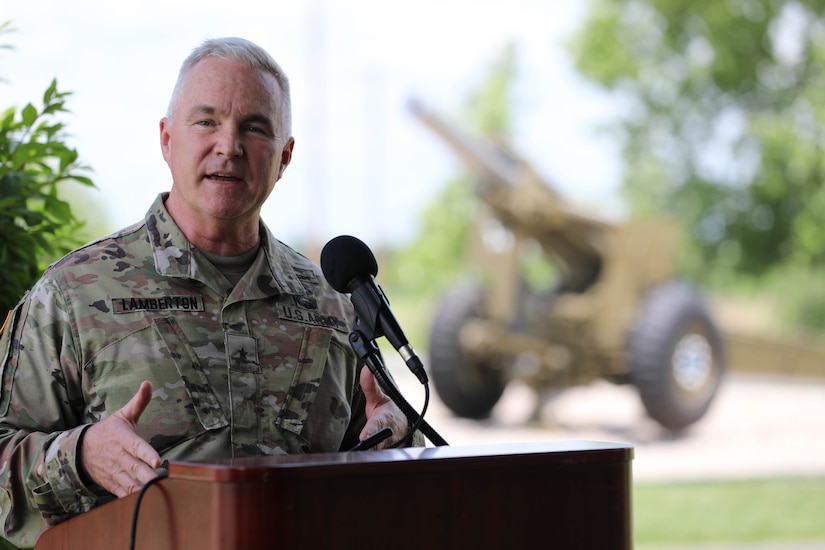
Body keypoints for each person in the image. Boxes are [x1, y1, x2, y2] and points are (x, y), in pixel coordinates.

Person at [0, 37, 419, 547]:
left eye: (254, 127)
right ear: (166, 139)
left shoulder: (330, 303)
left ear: (285, 156)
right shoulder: (73, 293)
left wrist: (400, 434)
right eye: (206, 122)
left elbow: (386, 444)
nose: (229, 146)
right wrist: (83, 456)